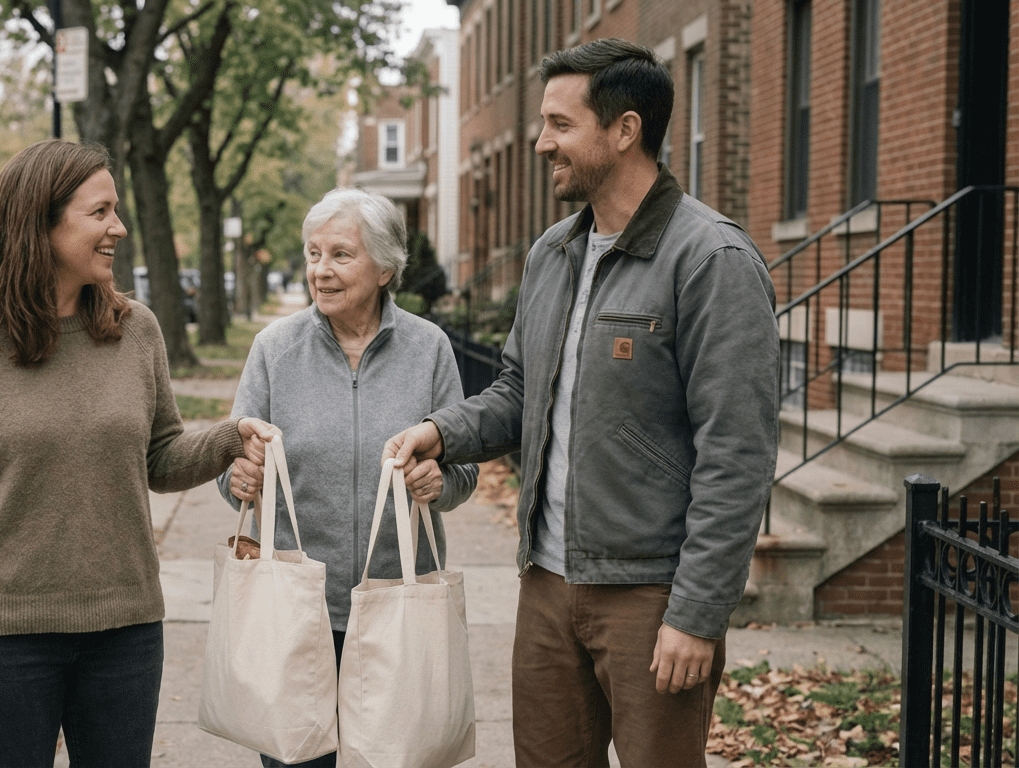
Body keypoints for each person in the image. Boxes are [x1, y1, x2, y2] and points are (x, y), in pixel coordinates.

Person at [385, 39, 778, 767]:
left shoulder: (710, 259)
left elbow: (738, 453)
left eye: (561, 125)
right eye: (542, 124)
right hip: (546, 584)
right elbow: (517, 393)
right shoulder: (552, 253)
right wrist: (441, 429)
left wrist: (696, 613)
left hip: (649, 593)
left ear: (624, 130)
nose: (542, 143)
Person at [0, 139, 277, 768]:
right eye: (99, 213)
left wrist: (232, 437)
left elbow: (161, 458)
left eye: (116, 211)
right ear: (39, 221)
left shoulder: (135, 329)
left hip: (123, 633)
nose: (118, 228)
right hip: (0, 641)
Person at [218, 187, 478, 768]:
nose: (321, 271)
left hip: (398, 608)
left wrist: (441, 483)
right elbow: (230, 465)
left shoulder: (429, 348)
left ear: (385, 267)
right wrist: (240, 476)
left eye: (340, 255)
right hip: (294, 612)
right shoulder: (274, 349)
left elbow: (463, 470)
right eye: (313, 254)